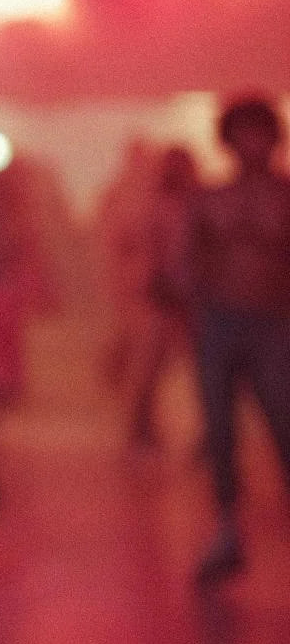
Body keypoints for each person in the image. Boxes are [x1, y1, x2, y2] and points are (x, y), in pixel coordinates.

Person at [181, 98, 290, 586]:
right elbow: (189, 263)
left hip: (275, 323)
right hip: (220, 323)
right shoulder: (210, 199)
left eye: (260, 132)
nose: (253, 144)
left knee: (284, 425)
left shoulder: (285, 196)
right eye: (243, 133)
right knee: (220, 433)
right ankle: (227, 530)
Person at [108, 147, 198, 447]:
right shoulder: (149, 205)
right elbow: (128, 244)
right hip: (153, 293)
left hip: (188, 293)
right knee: (149, 364)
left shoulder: (195, 204)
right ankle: (140, 427)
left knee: (188, 364)